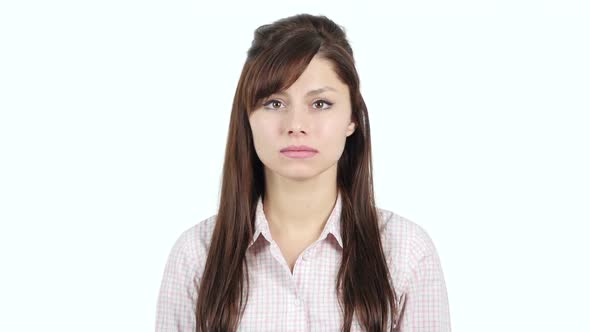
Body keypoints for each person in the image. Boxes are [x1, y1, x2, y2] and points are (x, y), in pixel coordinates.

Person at [155, 13, 451, 332]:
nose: (296, 125)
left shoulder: (405, 250)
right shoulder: (197, 254)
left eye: (320, 103)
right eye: (274, 103)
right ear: (247, 117)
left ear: (352, 118)